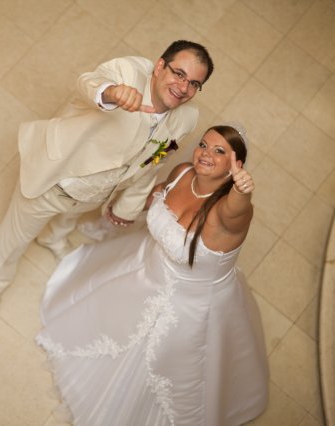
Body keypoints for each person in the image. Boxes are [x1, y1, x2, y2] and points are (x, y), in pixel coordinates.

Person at [36, 124, 269, 425]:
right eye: (203, 145)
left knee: (168, 363)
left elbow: (237, 211)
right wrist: (124, 202)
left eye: (219, 151)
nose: (205, 154)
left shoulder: (227, 214)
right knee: (114, 318)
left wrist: (241, 191)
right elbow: (155, 199)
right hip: (148, 267)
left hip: (189, 306)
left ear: (235, 166)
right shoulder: (183, 172)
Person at [0, 40, 214, 328]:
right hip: (54, 177)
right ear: (160, 66)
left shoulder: (187, 118)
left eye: (194, 84)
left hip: (98, 192)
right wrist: (111, 93)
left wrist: (127, 207)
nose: (183, 87)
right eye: (178, 74)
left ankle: (52, 238)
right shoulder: (127, 71)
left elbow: (153, 163)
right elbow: (89, 83)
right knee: (13, 239)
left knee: (69, 218)